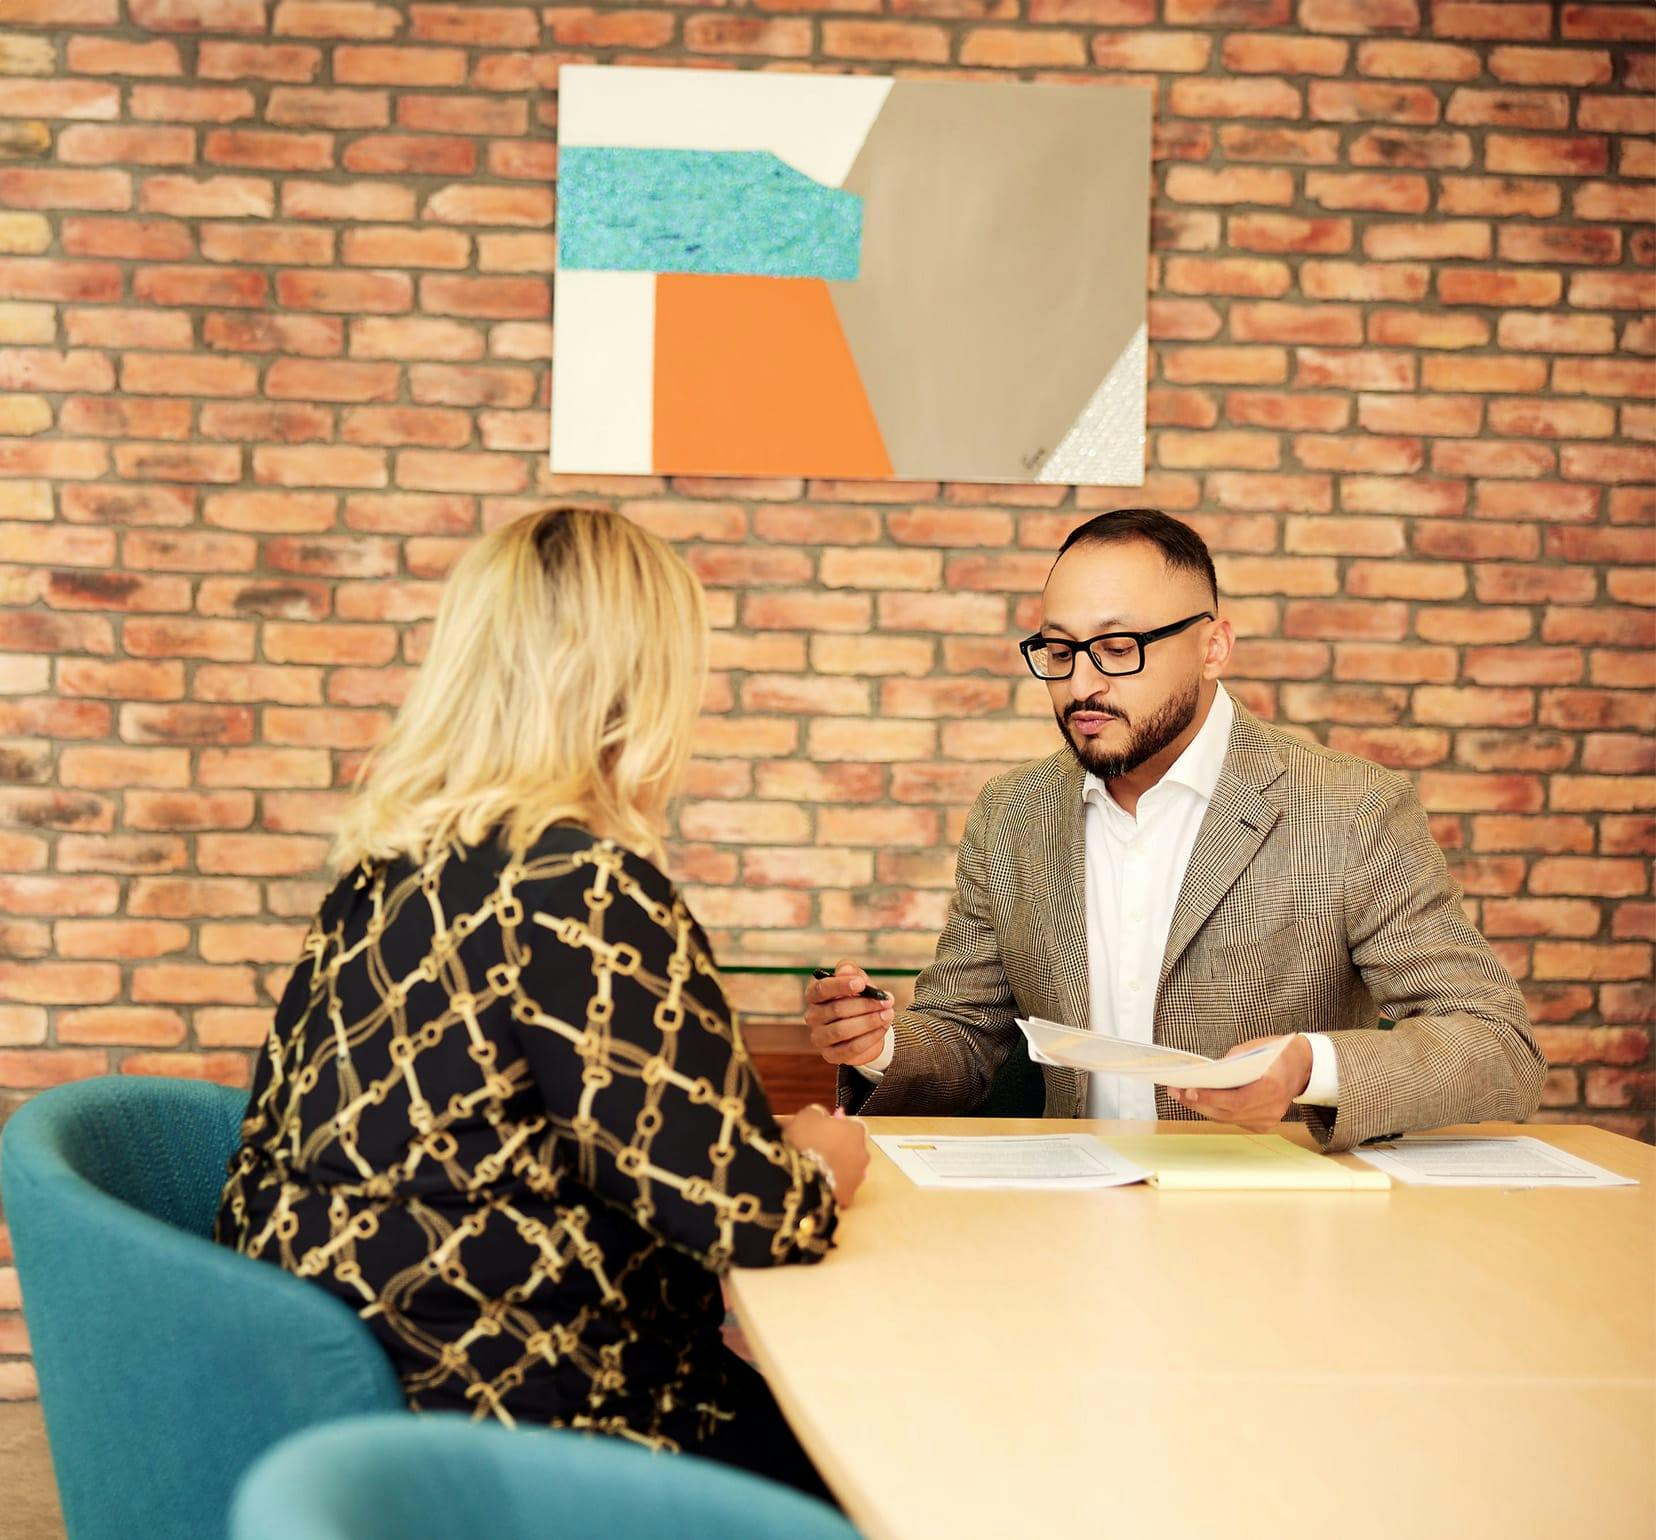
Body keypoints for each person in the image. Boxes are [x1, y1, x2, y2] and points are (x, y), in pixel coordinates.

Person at [216, 507, 867, 1501]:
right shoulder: (582, 890)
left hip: (345, 1392)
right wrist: (823, 1161)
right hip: (532, 1413)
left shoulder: (381, 878)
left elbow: (540, 1133)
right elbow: (749, 1214)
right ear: (634, 688)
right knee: (879, 1459)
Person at [807, 507, 1544, 1152]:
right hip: (1063, 1227)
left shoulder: (1350, 809)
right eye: (1059, 651)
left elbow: (1496, 1044)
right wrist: (881, 1045)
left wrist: (1309, 1068)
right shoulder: (1013, 813)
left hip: (1266, 1231)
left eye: (1119, 648)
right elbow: (968, 1036)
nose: (1082, 685)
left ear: (1214, 646)